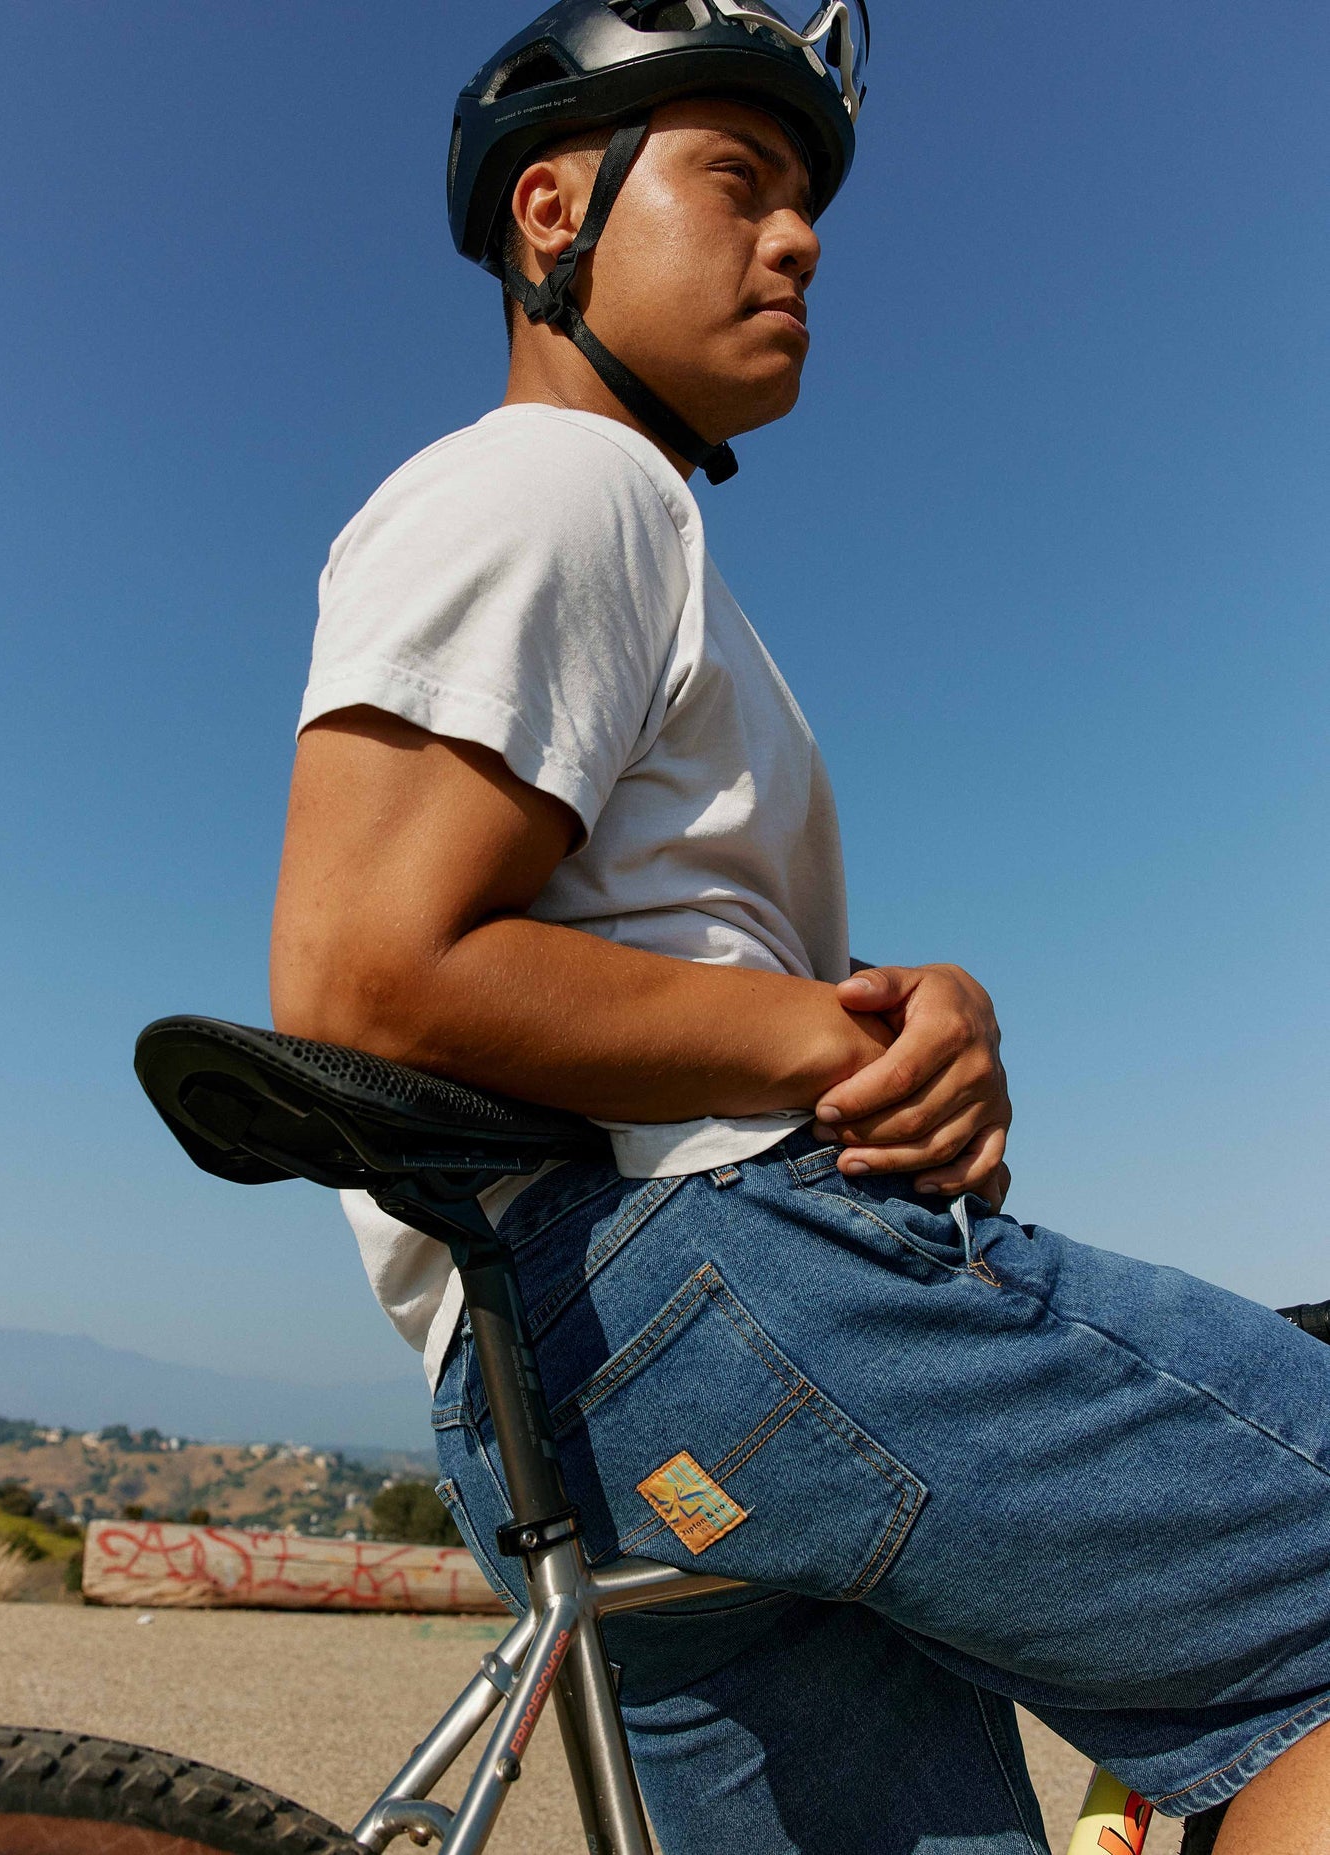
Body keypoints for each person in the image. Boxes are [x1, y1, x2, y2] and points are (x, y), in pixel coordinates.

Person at [270, 5, 1330, 1850]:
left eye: (809, 209)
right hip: (738, 1285)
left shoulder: (632, 533)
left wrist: (915, 1014)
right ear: (552, 212)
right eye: (736, 183)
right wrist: (823, 1046)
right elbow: (368, 969)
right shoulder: (563, 480)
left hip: (582, 1381)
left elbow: (635, 950)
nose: (801, 240)